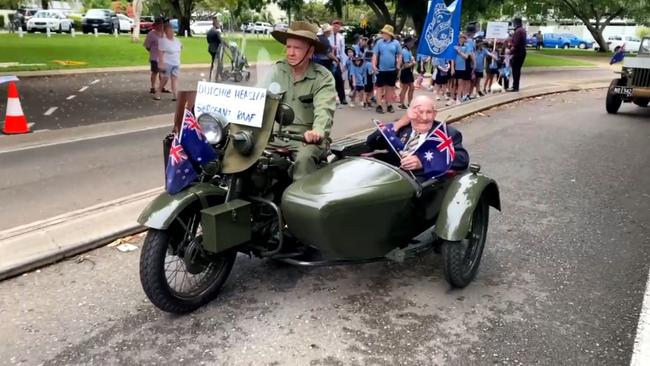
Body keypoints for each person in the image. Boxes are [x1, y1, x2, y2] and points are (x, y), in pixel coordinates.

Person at [263, 21, 337, 181]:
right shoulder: (276, 70)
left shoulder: (322, 77)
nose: (290, 52)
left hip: (305, 138)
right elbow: (258, 97)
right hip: (275, 134)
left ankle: (299, 203)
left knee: (304, 161)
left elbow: (324, 109)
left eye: (297, 48)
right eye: (288, 47)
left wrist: (317, 131)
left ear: (310, 51)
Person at [365, 95, 469, 181]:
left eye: (429, 112)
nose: (424, 118)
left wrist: (423, 161)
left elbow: (462, 159)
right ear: (410, 113)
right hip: (389, 178)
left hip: (420, 186)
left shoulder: (446, 133)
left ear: (435, 114)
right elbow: (371, 143)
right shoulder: (401, 128)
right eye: (419, 112)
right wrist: (399, 123)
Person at [372, 24, 402, 114]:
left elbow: (399, 54)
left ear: (389, 34)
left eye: (385, 33)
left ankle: (389, 105)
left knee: (390, 88)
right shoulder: (379, 42)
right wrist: (373, 65)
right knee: (379, 87)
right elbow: (375, 54)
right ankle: (379, 105)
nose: (383, 34)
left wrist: (398, 65)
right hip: (381, 69)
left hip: (392, 69)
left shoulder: (396, 43)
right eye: (383, 33)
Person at [154, 22, 182, 101]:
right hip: (167, 63)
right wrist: (161, 63)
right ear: (166, 32)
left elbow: (180, 48)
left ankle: (175, 95)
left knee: (175, 79)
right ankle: (158, 93)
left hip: (176, 62)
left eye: (172, 31)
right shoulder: (163, 41)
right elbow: (160, 53)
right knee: (165, 79)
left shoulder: (177, 40)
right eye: (169, 31)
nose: (172, 33)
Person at [144, 17, 168, 94]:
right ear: (156, 25)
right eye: (159, 25)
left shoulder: (165, 34)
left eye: (162, 25)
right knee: (155, 72)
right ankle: (153, 87)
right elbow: (147, 46)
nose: (161, 26)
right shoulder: (151, 34)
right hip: (155, 57)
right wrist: (153, 52)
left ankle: (162, 87)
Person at [328, 19, 348, 105]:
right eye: (335, 25)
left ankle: (342, 98)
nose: (336, 27)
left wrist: (343, 63)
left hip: (338, 59)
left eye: (338, 25)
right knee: (330, 80)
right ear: (332, 26)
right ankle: (331, 99)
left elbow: (342, 51)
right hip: (329, 59)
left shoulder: (341, 37)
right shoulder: (328, 35)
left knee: (339, 80)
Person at [451, 34, 471, 104]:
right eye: (460, 38)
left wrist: (459, 51)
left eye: (463, 38)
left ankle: (458, 98)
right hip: (455, 67)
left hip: (462, 67)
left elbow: (466, 57)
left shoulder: (467, 47)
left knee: (460, 83)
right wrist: (452, 68)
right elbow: (452, 58)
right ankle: (452, 98)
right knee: (453, 84)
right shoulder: (454, 46)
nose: (461, 39)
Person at [398, 36, 416, 110]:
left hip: (409, 71)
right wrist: (413, 63)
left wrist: (412, 61)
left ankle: (410, 103)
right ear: (408, 43)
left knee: (411, 87)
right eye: (412, 42)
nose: (413, 43)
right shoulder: (405, 51)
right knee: (405, 88)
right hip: (405, 71)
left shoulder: (409, 50)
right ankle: (402, 103)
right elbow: (405, 65)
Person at [509, 17, 527, 91]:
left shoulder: (517, 31)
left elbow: (515, 44)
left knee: (515, 69)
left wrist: (509, 51)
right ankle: (516, 85)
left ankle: (515, 86)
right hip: (522, 52)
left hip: (518, 52)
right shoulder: (523, 30)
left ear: (515, 23)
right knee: (517, 69)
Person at [207, 17, 223, 81]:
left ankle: (211, 76)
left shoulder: (209, 32)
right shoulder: (216, 32)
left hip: (210, 49)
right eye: (218, 24)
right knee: (218, 63)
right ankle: (217, 77)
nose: (219, 25)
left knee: (213, 62)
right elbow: (221, 41)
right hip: (216, 49)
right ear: (215, 24)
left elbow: (208, 41)